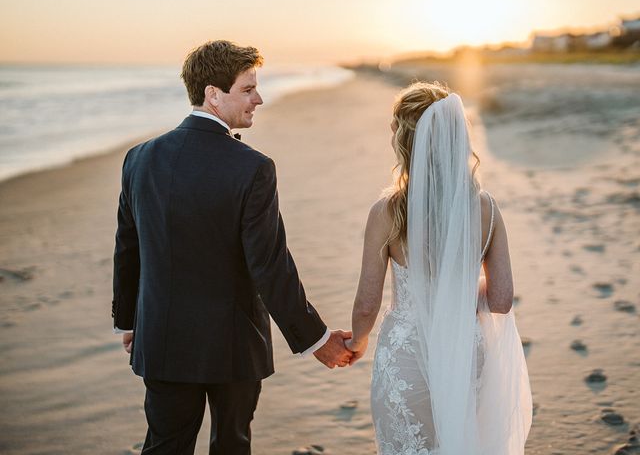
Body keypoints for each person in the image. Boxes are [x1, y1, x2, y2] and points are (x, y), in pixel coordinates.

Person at [112, 40, 352, 455]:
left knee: (165, 445)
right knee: (232, 445)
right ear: (212, 93)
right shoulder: (252, 167)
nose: (258, 99)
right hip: (233, 344)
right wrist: (316, 339)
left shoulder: (139, 158)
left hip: (162, 337)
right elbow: (270, 265)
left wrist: (130, 319)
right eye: (247, 89)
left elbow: (128, 248)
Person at [345, 82, 532, 455]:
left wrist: (356, 341)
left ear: (405, 141)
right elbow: (501, 300)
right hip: (465, 355)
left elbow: (367, 303)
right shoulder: (485, 209)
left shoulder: (387, 212)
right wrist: (458, 287)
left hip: (406, 357)